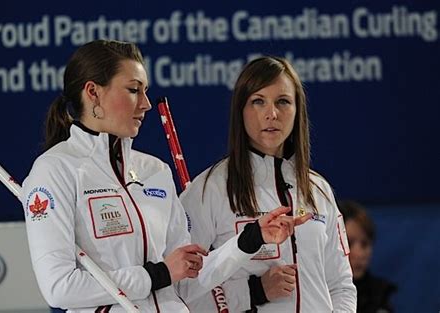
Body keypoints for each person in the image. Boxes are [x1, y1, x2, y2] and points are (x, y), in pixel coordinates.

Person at [21, 40, 310, 313]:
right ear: (93, 92)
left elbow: (188, 279)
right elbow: (59, 287)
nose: (145, 103)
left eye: (145, 91)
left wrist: (250, 239)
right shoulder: (55, 170)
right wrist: (156, 274)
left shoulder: (155, 172)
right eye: (134, 90)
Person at [180, 56, 357, 312]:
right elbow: (182, 288)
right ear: (240, 110)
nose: (271, 114)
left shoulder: (318, 190)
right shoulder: (210, 189)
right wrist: (253, 291)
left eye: (283, 102)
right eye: (258, 102)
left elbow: (340, 285)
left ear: (298, 111)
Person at [338, 200, 397, 313]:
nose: (359, 254)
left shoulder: (381, 294)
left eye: (365, 244)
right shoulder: (320, 293)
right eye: (349, 243)